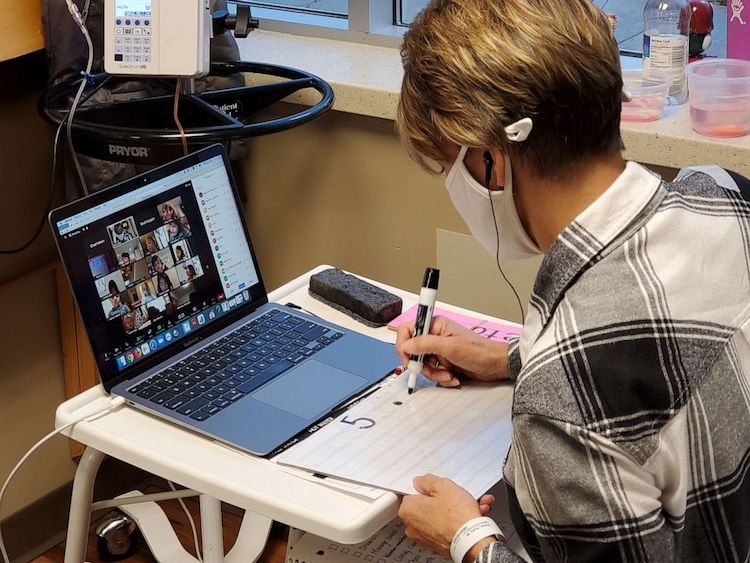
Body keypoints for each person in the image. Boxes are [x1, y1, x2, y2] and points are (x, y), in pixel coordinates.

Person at [394, 1, 750, 562]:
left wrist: (466, 539)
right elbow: (670, 359)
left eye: (450, 165)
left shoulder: (558, 405)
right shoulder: (725, 194)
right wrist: (509, 358)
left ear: (492, 159)